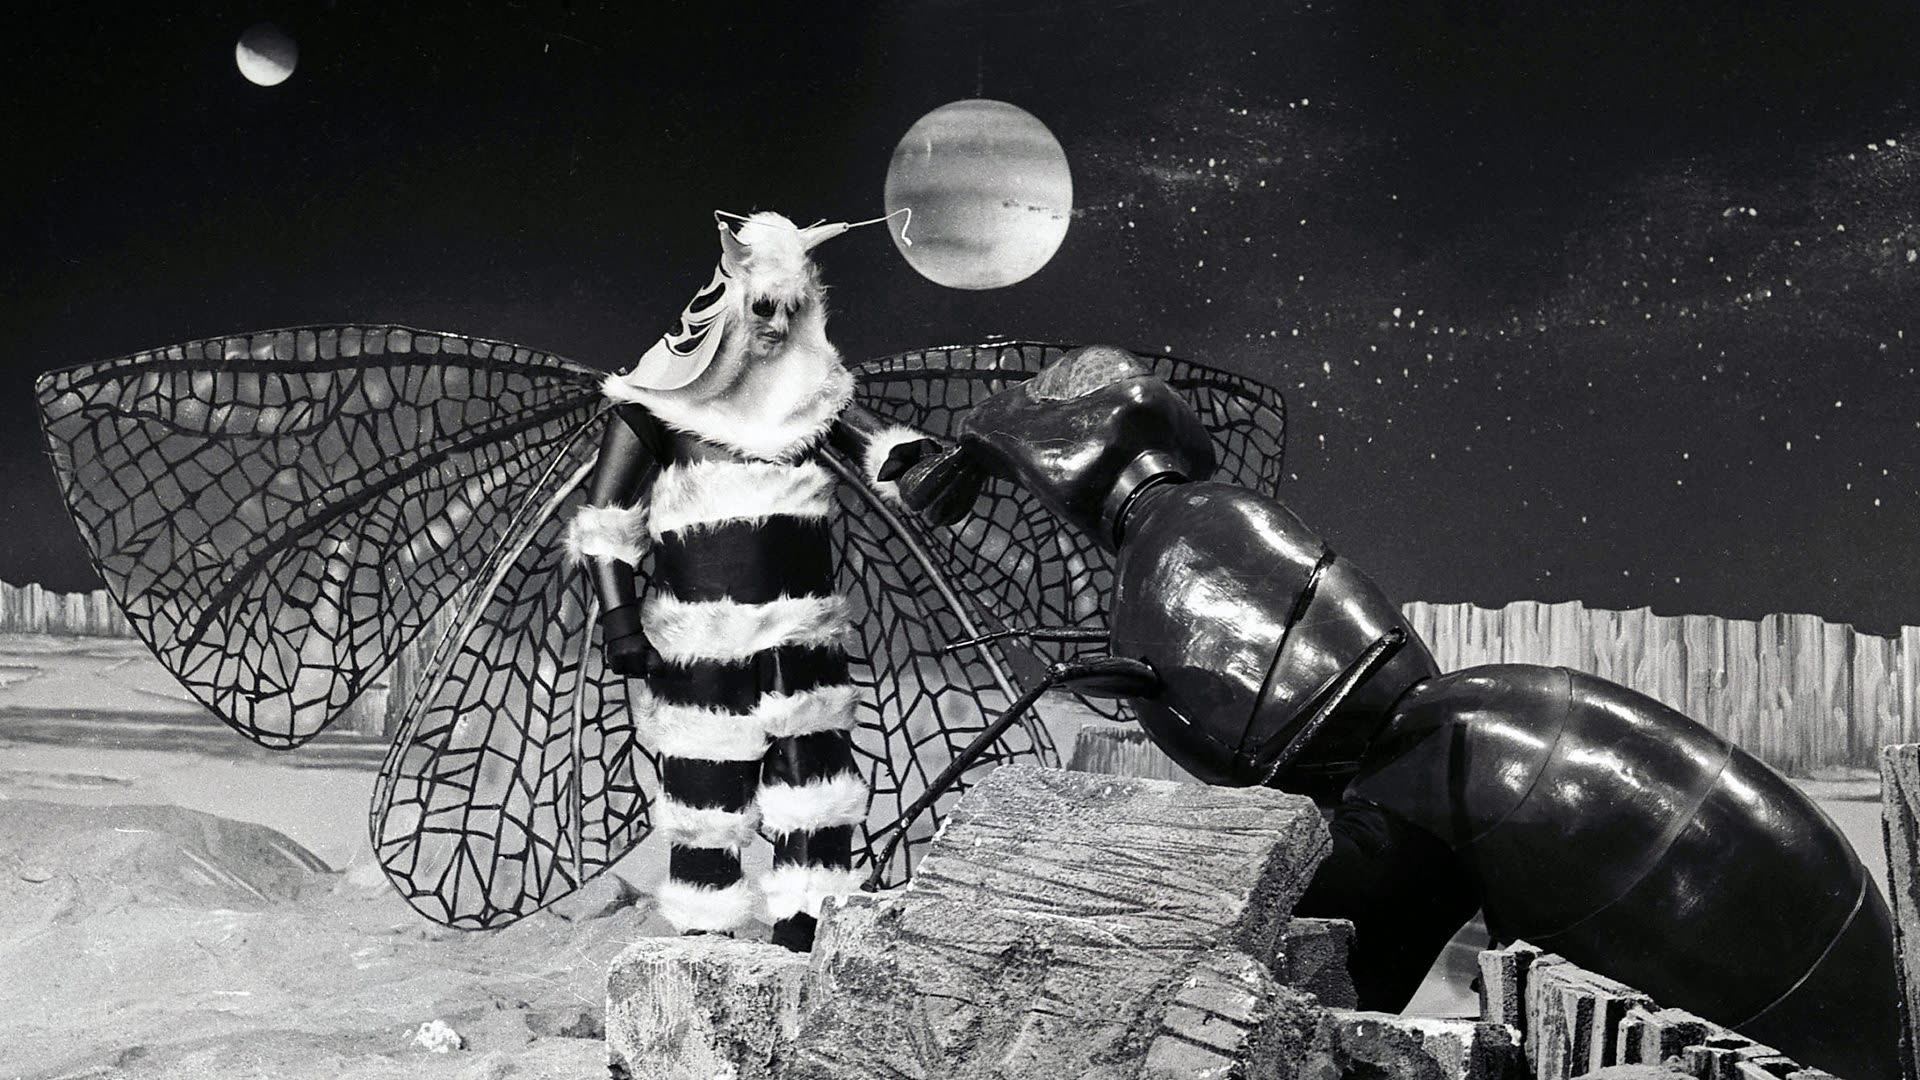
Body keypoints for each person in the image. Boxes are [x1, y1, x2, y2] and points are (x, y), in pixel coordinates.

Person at [567, 210, 921, 950]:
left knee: (816, 805)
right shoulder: (658, 401)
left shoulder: (811, 400)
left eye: (792, 309)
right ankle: (703, 962)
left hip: (803, 645)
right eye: (764, 306)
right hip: (702, 648)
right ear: (731, 298)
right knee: (707, 809)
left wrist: (924, 465)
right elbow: (606, 521)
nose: (777, 325)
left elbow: (885, 454)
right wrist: (619, 618)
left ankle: (808, 953)